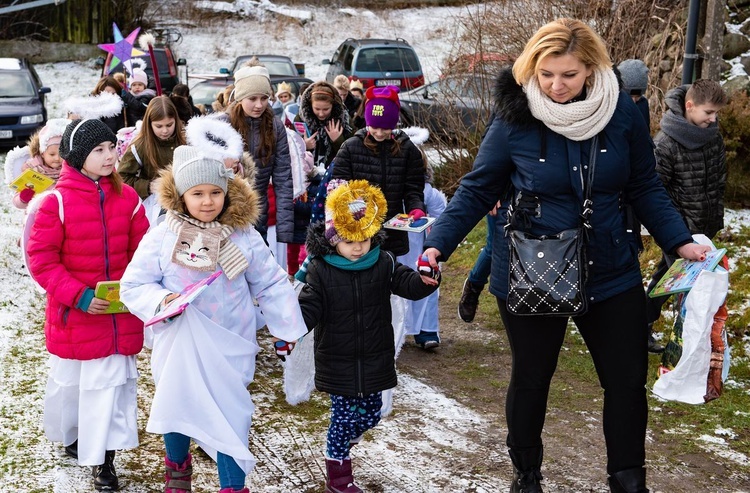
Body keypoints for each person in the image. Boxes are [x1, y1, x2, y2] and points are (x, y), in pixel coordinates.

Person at [421, 18, 711, 493]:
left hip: (611, 269)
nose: (556, 86)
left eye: (569, 75)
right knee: (533, 380)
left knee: (625, 382)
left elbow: (644, 185)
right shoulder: (514, 116)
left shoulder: (621, 114)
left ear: (592, 69)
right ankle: (527, 475)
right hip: (536, 270)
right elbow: (478, 188)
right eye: (546, 74)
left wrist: (679, 241)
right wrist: (438, 242)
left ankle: (628, 480)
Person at [119, 141, 307, 493]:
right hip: (180, 341)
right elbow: (134, 284)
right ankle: (177, 469)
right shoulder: (163, 236)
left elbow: (269, 281)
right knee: (177, 401)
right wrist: (164, 301)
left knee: (231, 414)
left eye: (216, 192)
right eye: (198, 193)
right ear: (181, 196)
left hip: (230, 341)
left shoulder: (244, 236)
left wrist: (288, 327)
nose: (208, 202)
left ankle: (233, 487)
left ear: (227, 192)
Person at [25, 118, 149, 491]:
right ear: (78, 158)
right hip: (76, 314)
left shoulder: (128, 198)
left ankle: (103, 461)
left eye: (112, 147)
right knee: (73, 386)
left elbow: (143, 252)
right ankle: (74, 435)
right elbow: (42, 260)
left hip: (118, 316)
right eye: (99, 150)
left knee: (108, 390)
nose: (110, 155)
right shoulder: (55, 202)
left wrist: (136, 289)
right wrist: (80, 297)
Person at [296, 179, 439, 492]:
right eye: (349, 240)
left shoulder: (383, 262)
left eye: (363, 238)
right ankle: (339, 477)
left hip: (375, 356)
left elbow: (409, 285)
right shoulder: (321, 270)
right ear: (334, 239)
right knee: (343, 419)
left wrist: (427, 279)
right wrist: (291, 330)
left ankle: (343, 442)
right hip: (338, 358)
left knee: (372, 413)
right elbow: (308, 309)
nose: (358, 247)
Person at [644, 79, 728, 351]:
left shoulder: (713, 137)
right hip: (678, 230)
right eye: (708, 113)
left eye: (716, 113)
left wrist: (714, 218)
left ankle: (640, 325)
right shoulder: (666, 143)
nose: (713, 119)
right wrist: (675, 231)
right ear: (689, 106)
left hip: (705, 226)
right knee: (691, 287)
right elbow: (654, 189)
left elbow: (718, 180)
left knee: (667, 276)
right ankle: (690, 345)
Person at [332, 85, 425, 257]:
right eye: (374, 127)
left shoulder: (407, 149)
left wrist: (416, 207)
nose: (380, 133)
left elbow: (413, 187)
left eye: (385, 128)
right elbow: (339, 188)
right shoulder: (351, 148)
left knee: (390, 275)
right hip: (360, 230)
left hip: (393, 231)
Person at [220, 62, 295, 244]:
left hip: (258, 211)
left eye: (264, 98)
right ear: (240, 97)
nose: (259, 105)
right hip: (223, 210)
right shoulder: (223, 124)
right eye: (252, 98)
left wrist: (284, 229)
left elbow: (283, 177)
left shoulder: (275, 127)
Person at [396, 132, 447, 349]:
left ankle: (427, 330)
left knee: (427, 282)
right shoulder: (391, 190)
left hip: (419, 248)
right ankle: (395, 329)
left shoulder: (427, 192)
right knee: (395, 286)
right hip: (396, 247)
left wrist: (432, 230)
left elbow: (441, 213)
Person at [118, 96, 186, 200]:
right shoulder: (139, 146)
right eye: (159, 126)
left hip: (186, 199)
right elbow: (121, 177)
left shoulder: (187, 139)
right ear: (149, 124)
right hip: (155, 202)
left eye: (169, 125)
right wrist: (148, 186)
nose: (165, 131)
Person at [6, 118, 69, 209]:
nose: (57, 158)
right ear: (42, 153)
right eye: (52, 154)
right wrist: (23, 199)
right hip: (37, 215)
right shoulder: (32, 170)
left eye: (62, 154)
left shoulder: (70, 169)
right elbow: (16, 202)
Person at [295, 81, 353, 170]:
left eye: (326, 109)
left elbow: (352, 154)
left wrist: (338, 140)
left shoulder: (344, 121)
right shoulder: (301, 119)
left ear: (333, 106)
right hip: (307, 172)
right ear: (310, 105)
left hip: (334, 174)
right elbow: (291, 151)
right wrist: (304, 145)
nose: (321, 114)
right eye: (317, 109)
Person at [617, 59, 650, 130]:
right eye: (630, 96)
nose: (633, 101)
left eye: (638, 96)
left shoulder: (643, 104)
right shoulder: (610, 107)